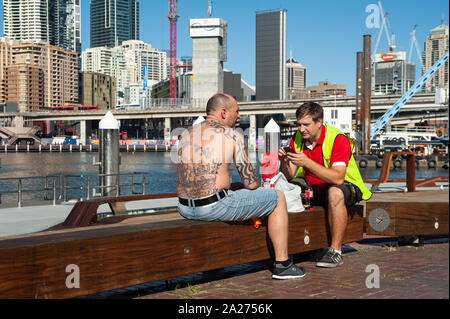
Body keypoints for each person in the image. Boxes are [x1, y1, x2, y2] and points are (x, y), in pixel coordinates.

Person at [176, 93, 306, 280]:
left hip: (184, 208)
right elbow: (251, 183)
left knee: (232, 191)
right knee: (278, 198)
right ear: (223, 112)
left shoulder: (187, 133)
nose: (239, 116)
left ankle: (214, 264)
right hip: (213, 207)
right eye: (236, 111)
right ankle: (283, 264)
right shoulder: (232, 135)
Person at [279, 102, 372, 268]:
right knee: (284, 191)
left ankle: (335, 252)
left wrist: (307, 162)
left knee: (335, 193)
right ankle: (295, 247)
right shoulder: (298, 138)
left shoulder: (337, 139)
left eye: (306, 125)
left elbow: (338, 179)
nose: (301, 129)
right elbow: (289, 175)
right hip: (314, 188)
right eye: (299, 124)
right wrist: (284, 162)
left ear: (319, 122)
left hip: (347, 186)